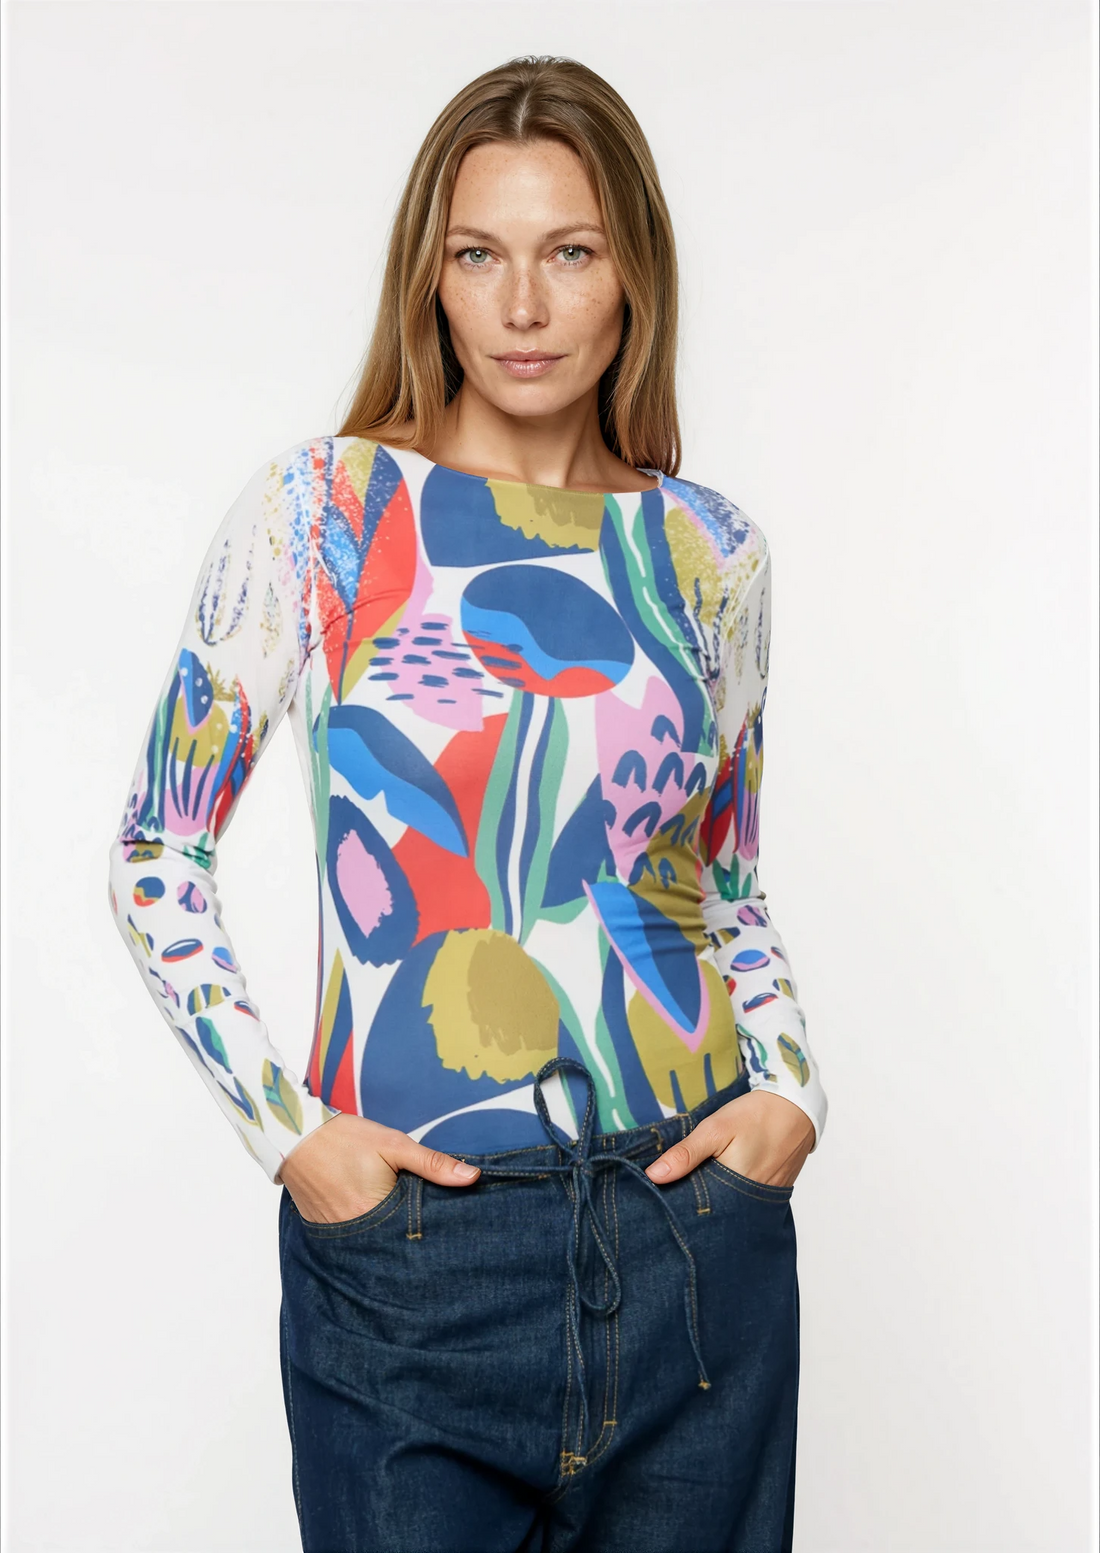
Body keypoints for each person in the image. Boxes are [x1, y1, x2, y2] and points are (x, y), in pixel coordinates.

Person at [107, 52, 827, 1553]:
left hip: (695, 1236)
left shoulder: (713, 554)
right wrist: (294, 1137)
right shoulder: (322, 513)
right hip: (412, 1256)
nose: (523, 306)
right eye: (478, 256)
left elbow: (727, 883)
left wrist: (792, 1099)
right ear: (428, 281)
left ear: (633, 273)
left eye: (570, 253)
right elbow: (158, 851)